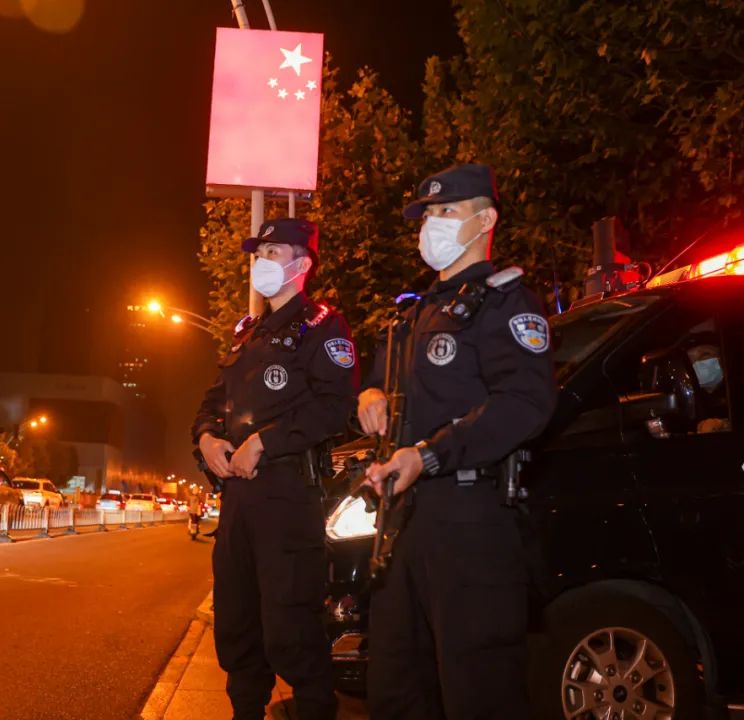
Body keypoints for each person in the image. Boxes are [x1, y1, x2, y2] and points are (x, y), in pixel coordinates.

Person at [358, 164, 555, 719]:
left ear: (485, 219)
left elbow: (526, 404)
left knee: (478, 692)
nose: (431, 225)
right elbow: (382, 385)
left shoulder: (507, 305)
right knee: (397, 687)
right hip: (401, 524)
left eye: (447, 211)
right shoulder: (413, 315)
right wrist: (367, 395)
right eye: (427, 215)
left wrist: (429, 455)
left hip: (472, 525)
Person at [192, 217, 359, 720]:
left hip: (288, 496)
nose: (261, 262)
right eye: (258, 253)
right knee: (237, 627)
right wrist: (206, 440)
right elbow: (210, 402)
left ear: (301, 265)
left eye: (274, 252)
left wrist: (264, 442)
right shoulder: (246, 334)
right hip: (238, 502)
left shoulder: (324, 325)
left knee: (290, 631)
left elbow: (336, 406)